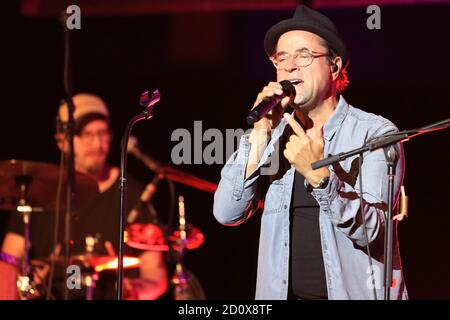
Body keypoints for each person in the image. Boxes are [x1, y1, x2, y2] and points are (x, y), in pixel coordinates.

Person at [213, 5, 408, 300]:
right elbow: (226, 212)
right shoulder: (273, 135)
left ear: (334, 66)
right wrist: (261, 133)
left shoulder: (374, 133)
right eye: (281, 58)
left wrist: (322, 179)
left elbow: (374, 232)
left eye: (303, 55)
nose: (290, 66)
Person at [0, 93, 168, 300]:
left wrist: (132, 291)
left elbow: (156, 276)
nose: (97, 143)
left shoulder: (133, 194)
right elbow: (8, 262)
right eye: (86, 134)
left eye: (102, 133)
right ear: (62, 141)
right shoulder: (35, 189)